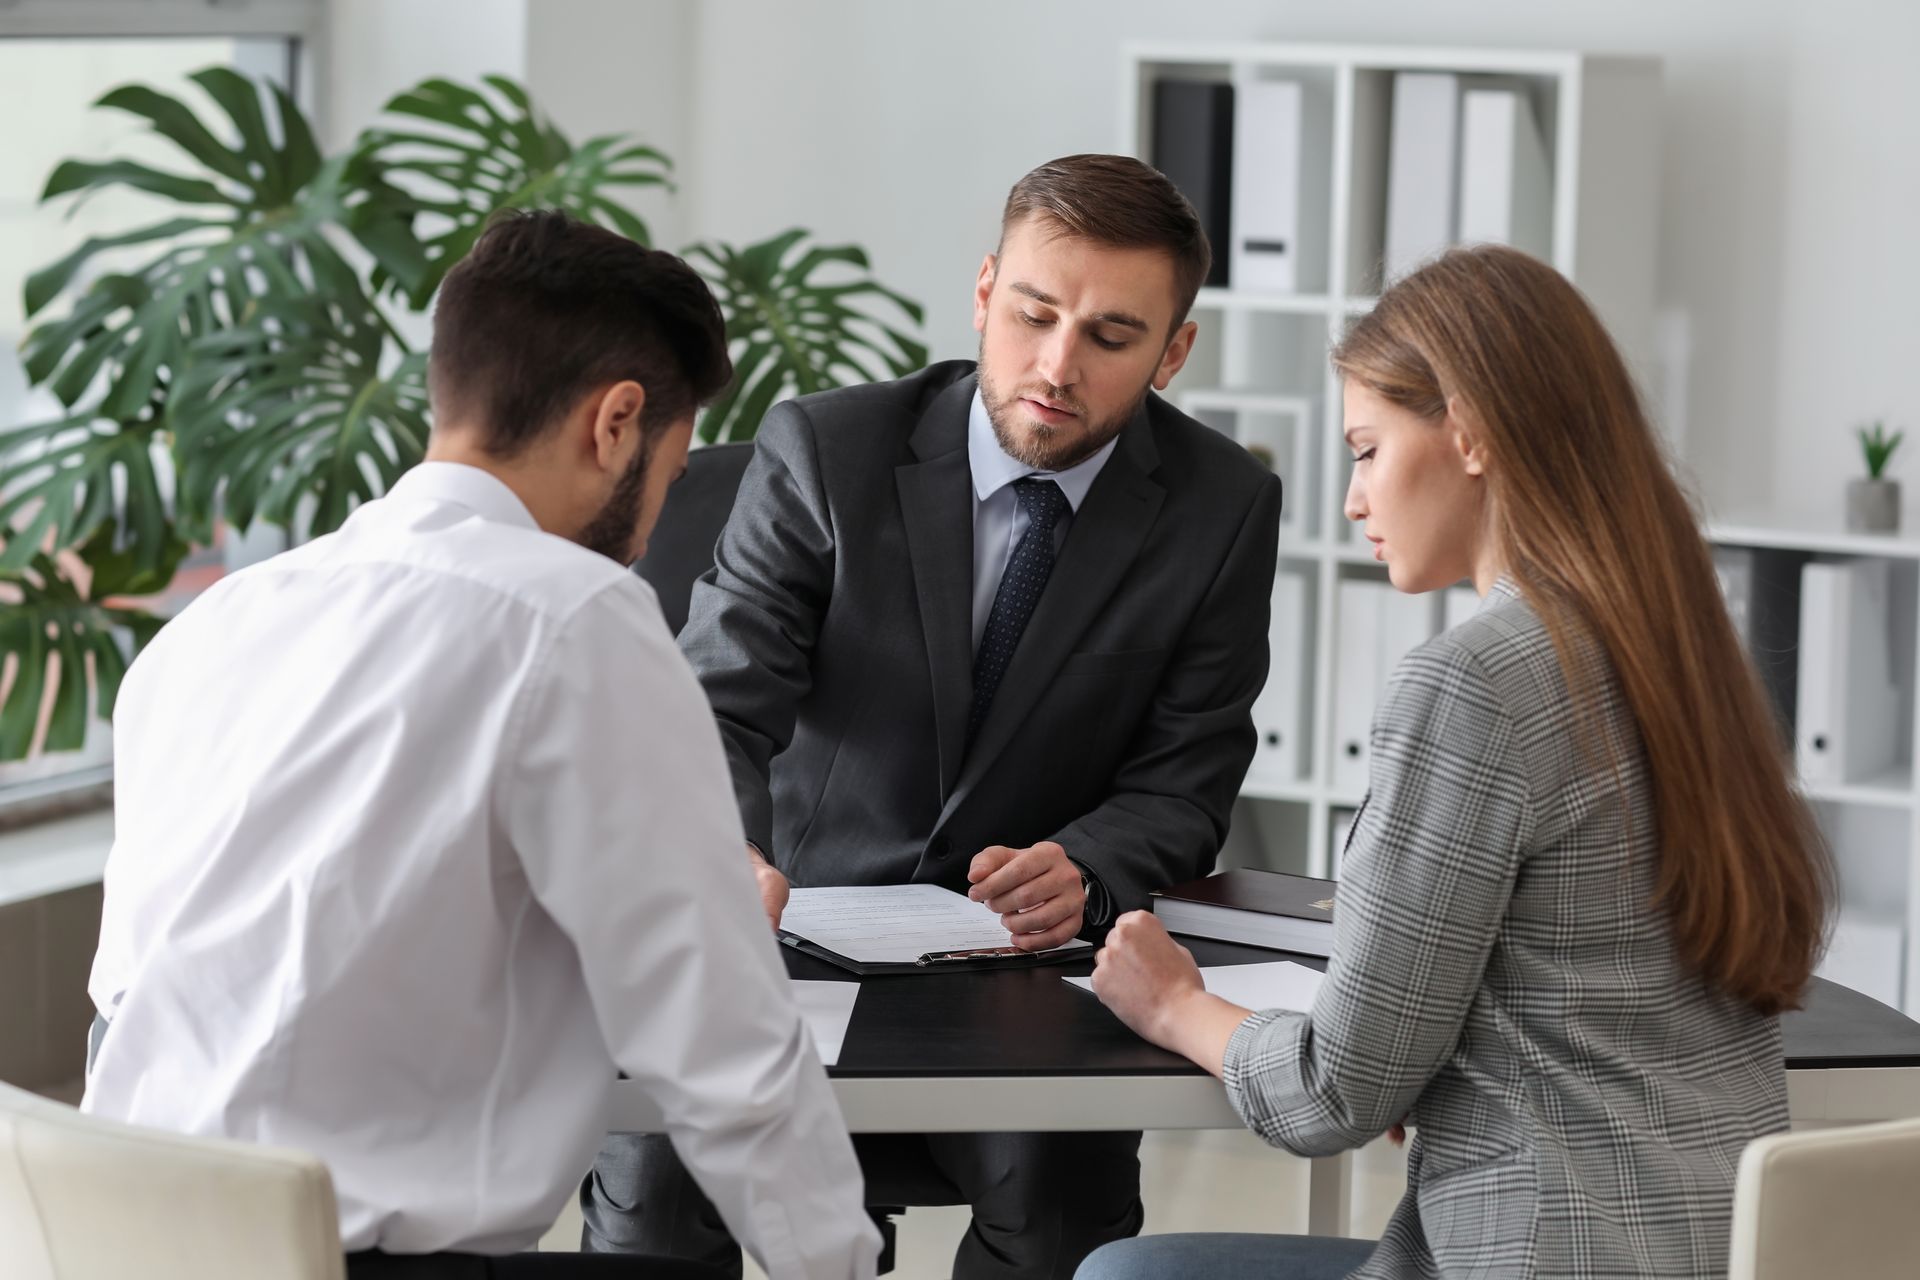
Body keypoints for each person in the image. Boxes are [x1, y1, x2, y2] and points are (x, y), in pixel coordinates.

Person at [83, 210, 880, 1280]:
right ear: (617, 422)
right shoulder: (577, 614)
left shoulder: (211, 629)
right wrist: (838, 1265)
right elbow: (724, 1039)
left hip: (112, 1239)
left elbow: (129, 992)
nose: (653, 522)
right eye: (675, 470)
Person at [582, 154, 1285, 1280]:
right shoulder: (826, 449)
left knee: (1060, 1205)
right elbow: (715, 705)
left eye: (1109, 336)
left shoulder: (1221, 507)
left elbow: (1188, 778)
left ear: (1174, 351)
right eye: (1034, 314)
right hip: (787, 936)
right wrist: (732, 852)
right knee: (657, 1181)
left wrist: (1091, 862)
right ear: (983, 291)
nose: (1055, 366)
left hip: (1020, 972)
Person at [1075, 243, 1834, 1280]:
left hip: (1536, 1257)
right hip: (1715, 1249)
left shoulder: (1475, 682)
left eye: (1366, 449)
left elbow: (1335, 1092)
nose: (1352, 499)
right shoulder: (1680, 651)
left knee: (1129, 1272)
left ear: (1468, 433)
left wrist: (1175, 1002)